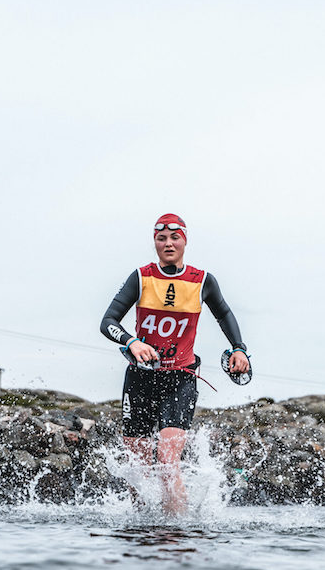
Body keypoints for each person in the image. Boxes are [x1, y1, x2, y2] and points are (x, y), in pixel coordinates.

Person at [99, 213, 250, 515]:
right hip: (140, 379)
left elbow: (224, 314)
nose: (168, 243)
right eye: (161, 238)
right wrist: (132, 341)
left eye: (174, 237)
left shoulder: (202, 280)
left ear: (184, 240)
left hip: (179, 379)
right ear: (155, 242)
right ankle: (141, 527)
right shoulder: (141, 277)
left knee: (168, 462)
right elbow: (108, 322)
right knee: (138, 467)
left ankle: (176, 533)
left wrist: (239, 349)